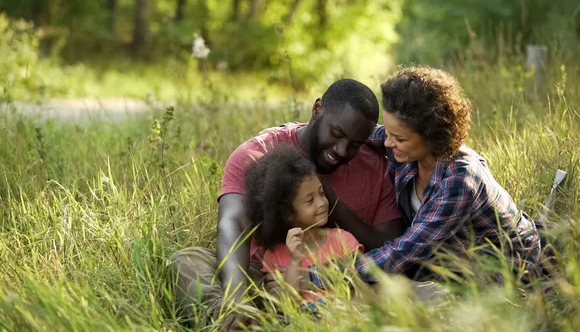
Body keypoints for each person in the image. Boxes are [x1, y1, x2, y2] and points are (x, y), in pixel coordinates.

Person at [169, 79, 405, 330]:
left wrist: (334, 204)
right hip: (267, 280)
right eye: (336, 134)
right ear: (318, 109)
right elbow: (233, 223)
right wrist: (236, 296)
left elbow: (391, 247)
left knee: (399, 289)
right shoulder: (258, 153)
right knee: (188, 261)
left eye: (355, 145)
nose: (342, 150)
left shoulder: (375, 168)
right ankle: (235, 319)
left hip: (341, 285)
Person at [312, 66, 541, 286]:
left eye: (398, 138)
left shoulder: (459, 180)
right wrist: (285, 136)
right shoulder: (405, 148)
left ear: (431, 136)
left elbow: (403, 253)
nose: (387, 142)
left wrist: (321, 276)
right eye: (389, 132)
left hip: (506, 268)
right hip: (446, 255)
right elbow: (356, 134)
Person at [245, 145, 363, 308]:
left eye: (322, 193)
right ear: (287, 213)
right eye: (309, 200)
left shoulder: (342, 239)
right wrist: (295, 260)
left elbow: (359, 282)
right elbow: (288, 303)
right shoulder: (276, 256)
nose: (322, 203)